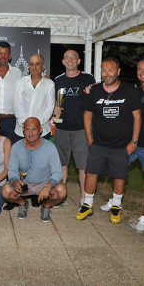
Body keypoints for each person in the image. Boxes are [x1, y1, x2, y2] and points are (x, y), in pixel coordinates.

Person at [101, 59, 144, 231]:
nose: (142, 72)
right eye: (139, 69)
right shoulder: (130, 90)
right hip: (129, 142)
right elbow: (108, 87)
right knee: (117, 171)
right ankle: (115, 201)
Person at [76, 57, 141, 224]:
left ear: (118, 71)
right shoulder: (95, 91)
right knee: (91, 173)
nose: (107, 73)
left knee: (119, 175)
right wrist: (89, 138)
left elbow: (137, 116)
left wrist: (134, 142)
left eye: (111, 70)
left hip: (121, 144)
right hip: (98, 143)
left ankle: (116, 206)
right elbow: (87, 114)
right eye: (104, 70)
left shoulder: (129, 91)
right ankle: (87, 204)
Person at [1, 117, 66, 222]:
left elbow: (58, 173)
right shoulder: (16, 147)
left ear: (40, 130)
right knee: (5, 191)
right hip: (24, 184)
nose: (30, 133)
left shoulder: (50, 147)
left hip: (44, 183)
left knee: (62, 191)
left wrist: (48, 186)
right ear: (23, 130)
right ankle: (23, 204)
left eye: (34, 129)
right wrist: (15, 181)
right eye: (27, 129)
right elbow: (12, 170)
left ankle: (46, 206)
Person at [53, 50, 95, 209]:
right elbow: (54, 102)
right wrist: (55, 109)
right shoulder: (58, 80)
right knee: (62, 164)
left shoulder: (88, 79)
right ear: (63, 62)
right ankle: (61, 196)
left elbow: (94, 101)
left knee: (82, 166)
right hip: (62, 128)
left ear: (78, 61)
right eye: (67, 58)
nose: (70, 60)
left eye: (73, 57)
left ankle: (83, 198)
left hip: (81, 130)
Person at [14, 54, 55, 139]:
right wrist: (26, 124)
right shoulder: (20, 82)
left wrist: (36, 124)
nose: (34, 67)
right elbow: (17, 105)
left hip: (42, 131)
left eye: (37, 64)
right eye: (31, 64)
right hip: (21, 130)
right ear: (28, 66)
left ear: (43, 66)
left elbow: (50, 107)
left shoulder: (49, 84)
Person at [0, 41, 22, 144]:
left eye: (6, 53)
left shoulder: (17, 73)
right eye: (0, 53)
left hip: (11, 121)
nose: (3, 56)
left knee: (12, 152)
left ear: (10, 56)